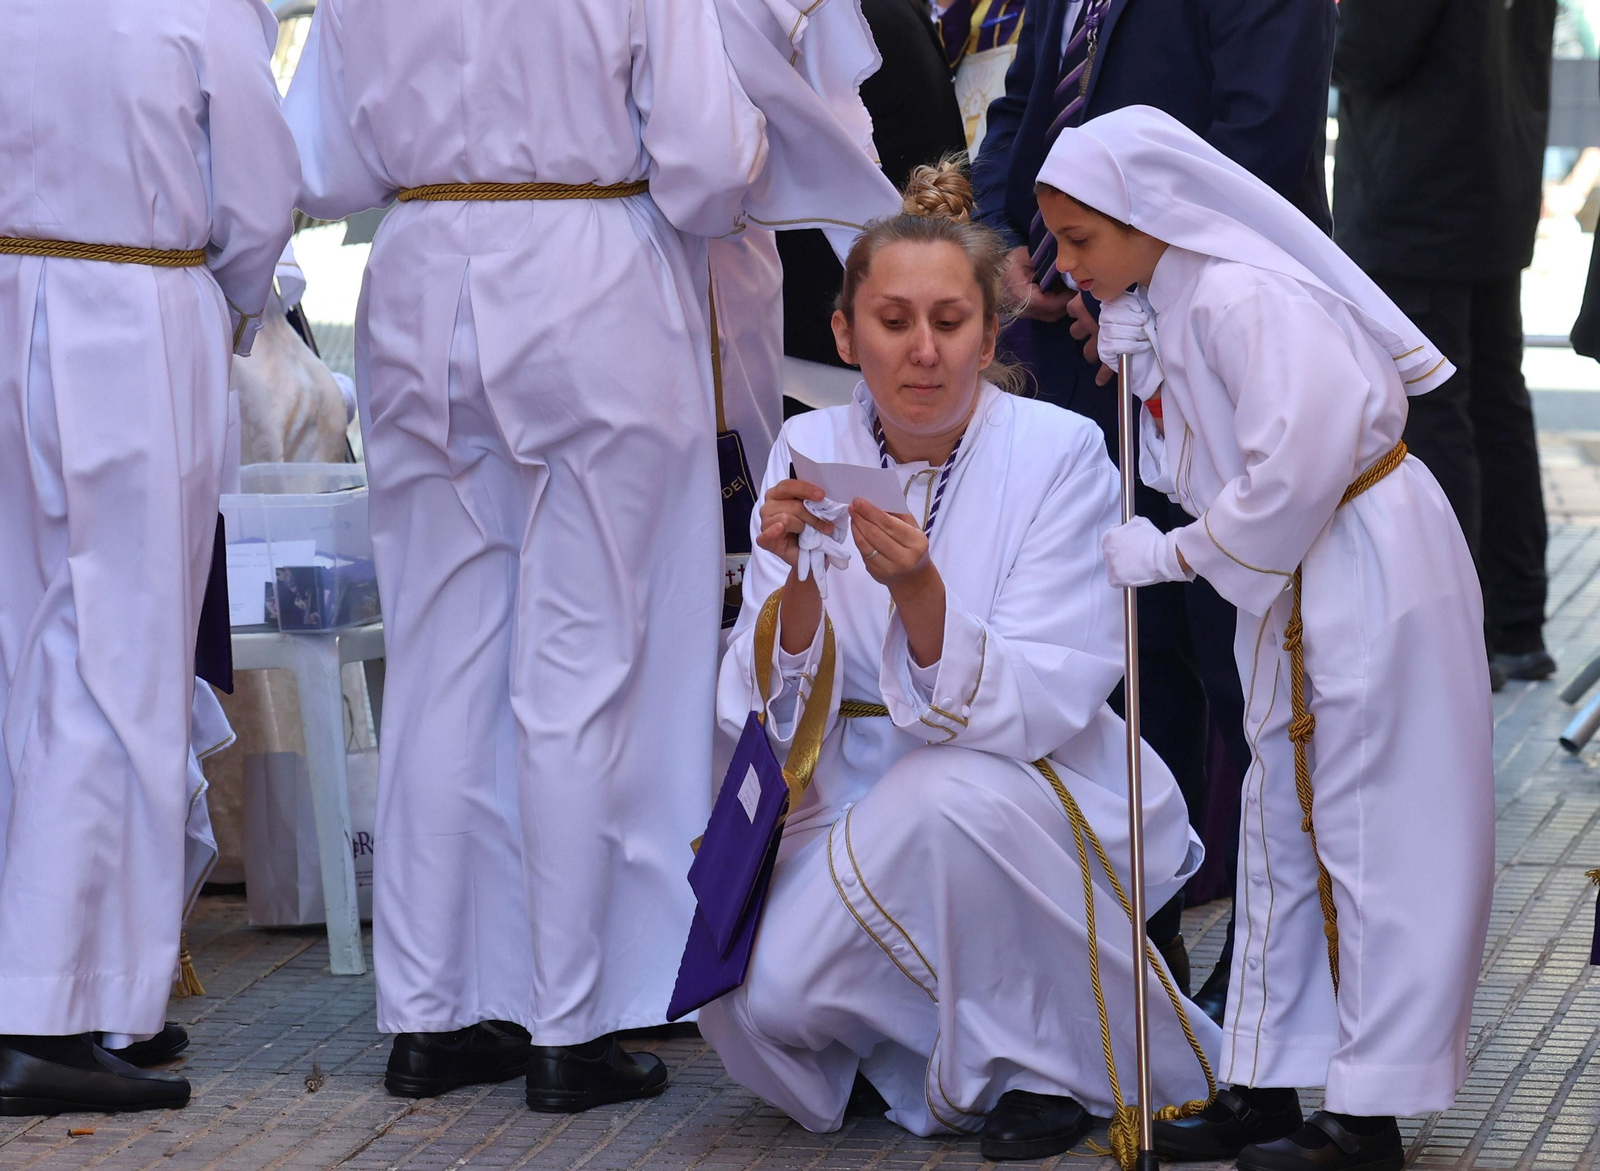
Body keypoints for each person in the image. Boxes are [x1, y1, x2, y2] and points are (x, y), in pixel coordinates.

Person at [283, 0, 896, 1112]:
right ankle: (575, 1021)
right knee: (592, 658)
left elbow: (321, 164)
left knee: (438, 665)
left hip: (420, 275)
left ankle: (432, 1012)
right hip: (592, 277)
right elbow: (707, 167)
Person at [698, 162, 1220, 1163]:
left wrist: (921, 597)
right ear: (846, 335)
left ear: (990, 334)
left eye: (949, 322)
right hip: (844, 800)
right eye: (893, 322)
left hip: (1025, 784)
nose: (923, 352)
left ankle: (1032, 1068)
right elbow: (762, 713)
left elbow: (1054, 686)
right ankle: (991, 1035)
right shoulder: (806, 443)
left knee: (942, 793)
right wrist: (794, 581)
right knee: (770, 1001)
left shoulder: (1059, 451)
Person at [1035, 106, 1493, 1171]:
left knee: (1365, 829)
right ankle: (1268, 1079)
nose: (1065, 265)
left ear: (1145, 215)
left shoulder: (1243, 296)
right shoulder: (1175, 297)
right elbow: (1208, 461)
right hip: (1300, 578)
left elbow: (1295, 467)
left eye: (1079, 241)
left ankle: (1364, 1111)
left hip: (1357, 563)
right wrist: (1145, 378)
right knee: (1280, 820)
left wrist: (1178, 553)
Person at [970, 0, 1338, 1018]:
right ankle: (1144, 922)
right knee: (1123, 652)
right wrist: (1006, 236)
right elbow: (1029, 99)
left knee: (1233, 656)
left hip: (1198, 335)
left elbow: (1258, 140)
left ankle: (1271, 954)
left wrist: (1137, 290)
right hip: (1074, 345)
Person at [0, 0, 298, 1113]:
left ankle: (99, 996)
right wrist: (228, 297)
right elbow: (259, 197)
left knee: (34, 653)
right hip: (133, 301)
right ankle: (44, 1011)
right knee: (114, 667)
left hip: (14, 296)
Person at [1333, 0, 1558, 689]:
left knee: (1436, 413)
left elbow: (1368, 52)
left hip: (1418, 186)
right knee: (1496, 401)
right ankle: (1515, 623)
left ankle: (1462, 634)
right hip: (1497, 171)